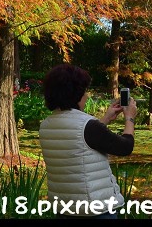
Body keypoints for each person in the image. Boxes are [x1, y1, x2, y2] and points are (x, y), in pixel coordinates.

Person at [39, 64, 138, 218]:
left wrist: (104, 119)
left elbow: (79, 142)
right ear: (76, 94)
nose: (87, 96)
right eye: (84, 91)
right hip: (95, 209)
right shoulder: (88, 126)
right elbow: (125, 147)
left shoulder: (46, 125)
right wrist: (129, 118)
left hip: (64, 208)